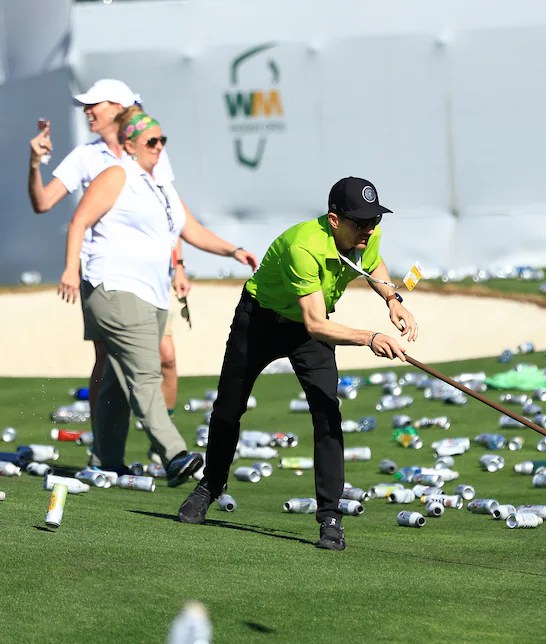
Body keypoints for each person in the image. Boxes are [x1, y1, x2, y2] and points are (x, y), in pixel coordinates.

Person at [177, 177, 417, 550]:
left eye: (374, 221)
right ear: (335, 220)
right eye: (361, 222)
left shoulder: (365, 236)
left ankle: (330, 515)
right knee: (228, 408)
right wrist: (370, 338)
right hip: (260, 322)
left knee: (327, 412)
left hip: (308, 333)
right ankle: (211, 484)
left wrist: (393, 299)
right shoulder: (302, 246)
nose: (369, 230)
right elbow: (317, 324)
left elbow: (374, 265)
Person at [57, 108, 259, 485]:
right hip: (114, 286)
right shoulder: (117, 175)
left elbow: (192, 230)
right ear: (129, 144)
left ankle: (105, 461)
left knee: (119, 377)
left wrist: (234, 251)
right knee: (146, 372)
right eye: (152, 141)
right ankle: (173, 453)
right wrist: (70, 268)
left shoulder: (161, 185)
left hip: (151, 293)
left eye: (163, 140)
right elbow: (79, 220)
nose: (159, 146)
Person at [29, 79, 188, 418]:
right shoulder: (84, 156)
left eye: (94, 105)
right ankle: (106, 444)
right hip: (103, 276)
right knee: (107, 360)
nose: (87, 111)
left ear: (117, 108)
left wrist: (179, 264)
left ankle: (161, 443)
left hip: (151, 275)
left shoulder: (152, 146)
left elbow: (169, 210)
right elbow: (43, 202)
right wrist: (34, 164)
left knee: (167, 356)